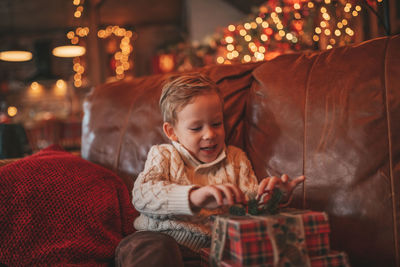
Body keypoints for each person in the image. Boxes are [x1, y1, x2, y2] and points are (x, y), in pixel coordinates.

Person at [115, 73, 305, 266]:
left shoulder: (236, 159)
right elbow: (142, 196)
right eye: (196, 128)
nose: (209, 134)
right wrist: (194, 197)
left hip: (212, 251)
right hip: (161, 239)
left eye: (216, 124)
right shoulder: (164, 155)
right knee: (151, 249)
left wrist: (273, 198)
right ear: (172, 132)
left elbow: (251, 211)